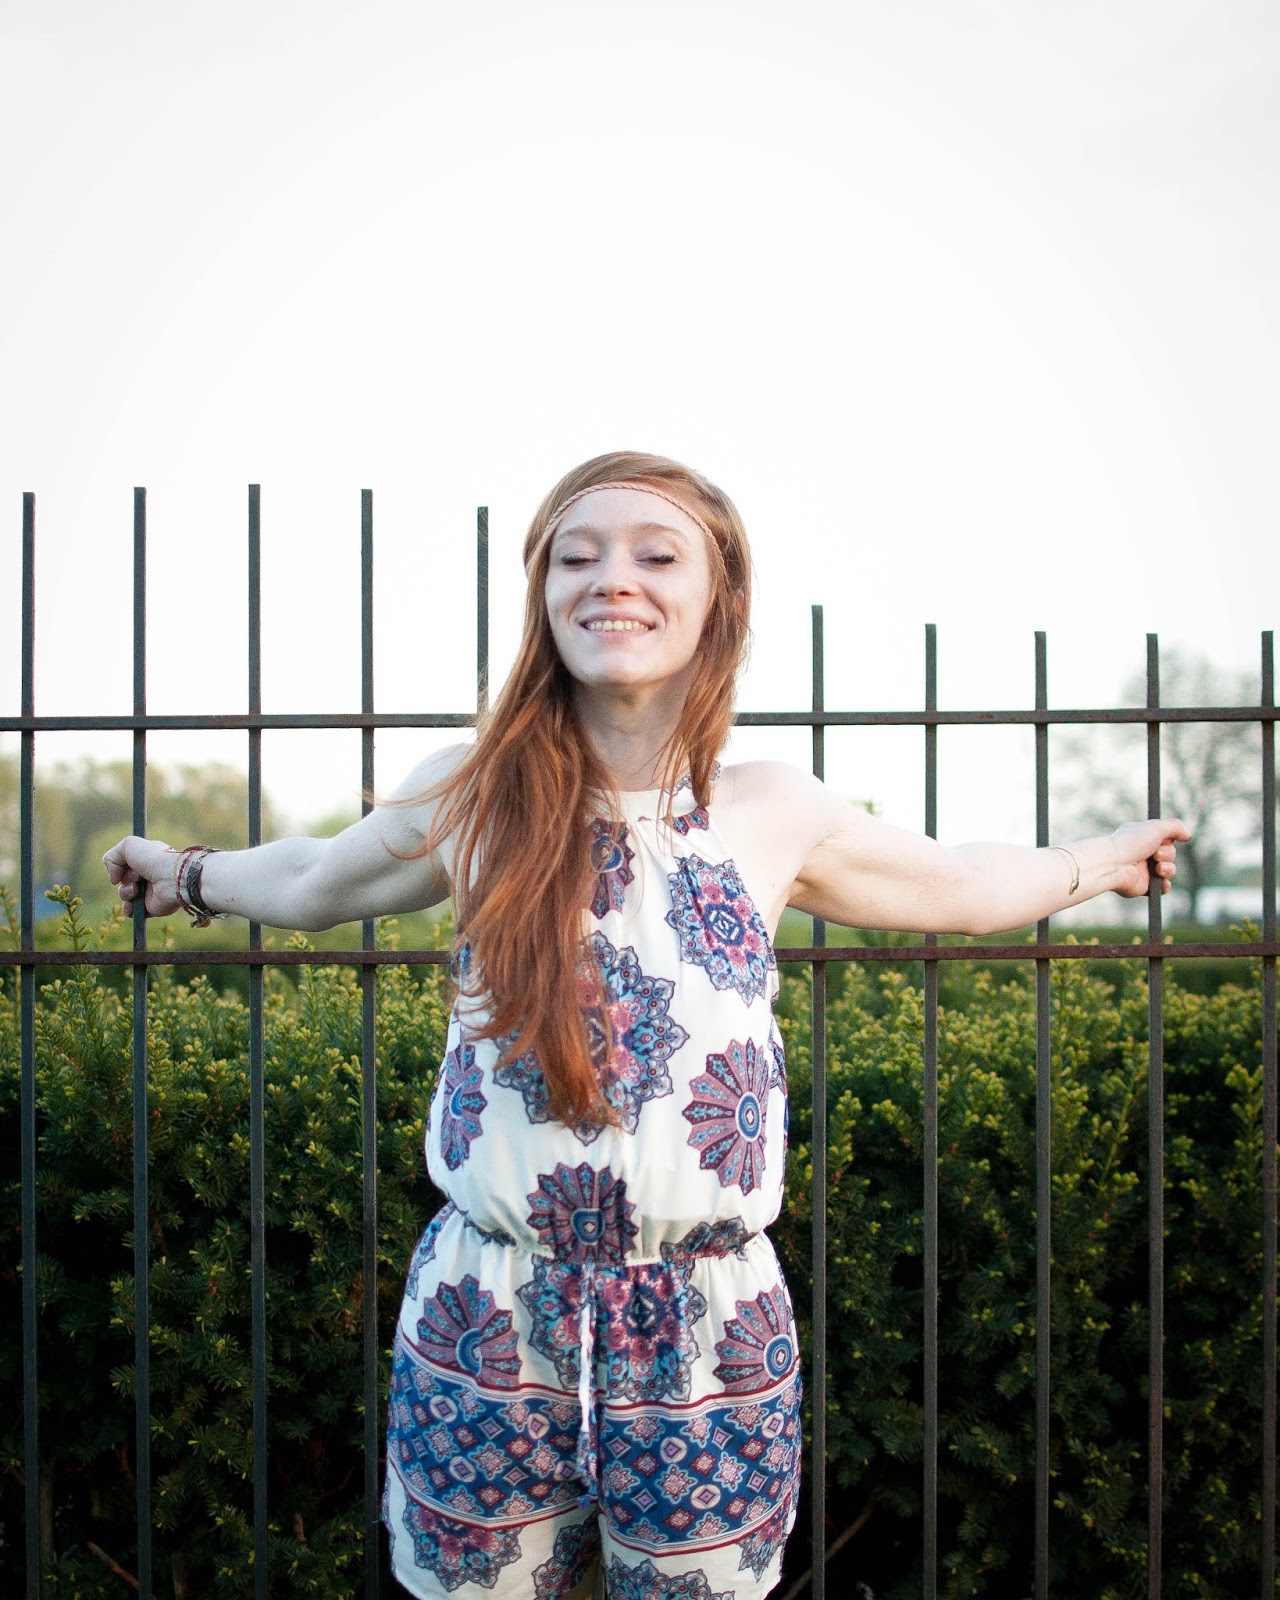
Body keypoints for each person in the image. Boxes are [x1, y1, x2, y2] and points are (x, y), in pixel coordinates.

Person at [104, 451, 1188, 1600]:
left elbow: (958, 885)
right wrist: (186, 873)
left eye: (655, 554)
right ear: (543, 597)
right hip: (487, 1314)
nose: (610, 577)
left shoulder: (771, 810)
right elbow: (315, 880)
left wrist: (1098, 861)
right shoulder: (472, 792)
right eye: (575, 556)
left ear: (718, 598)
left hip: (707, 1331)